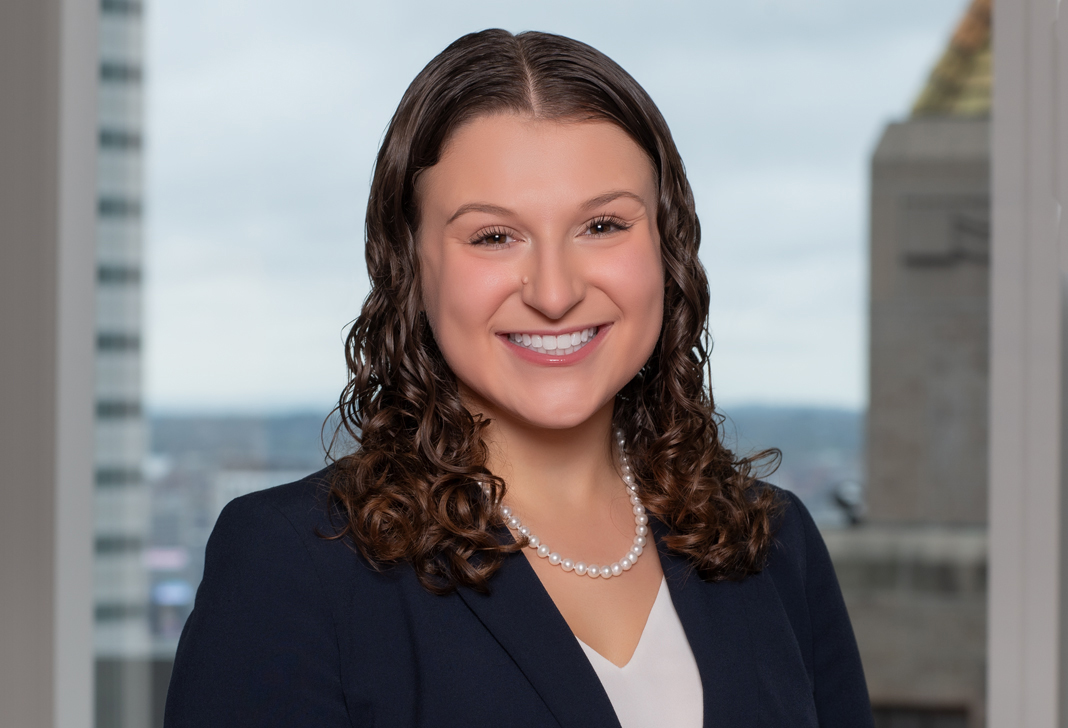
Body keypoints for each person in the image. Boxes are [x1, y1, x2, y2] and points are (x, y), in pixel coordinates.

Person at [164, 29, 873, 728]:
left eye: (602, 225)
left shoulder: (773, 541)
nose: (555, 293)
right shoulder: (293, 563)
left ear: (669, 245)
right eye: (494, 237)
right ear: (408, 265)